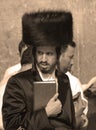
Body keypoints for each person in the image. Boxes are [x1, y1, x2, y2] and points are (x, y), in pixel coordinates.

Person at [2, 11, 75, 130]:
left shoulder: (64, 79)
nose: (44, 59)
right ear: (34, 53)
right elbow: (11, 125)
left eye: (49, 54)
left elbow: (68, 121)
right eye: (40, 53)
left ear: (57, 55)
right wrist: (45, 113)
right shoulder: (17, 82)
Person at [59, 41, 88, 129]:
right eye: (70, 57)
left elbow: (84, 122)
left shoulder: (72, 82)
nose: (72, 62)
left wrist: (79, 116)